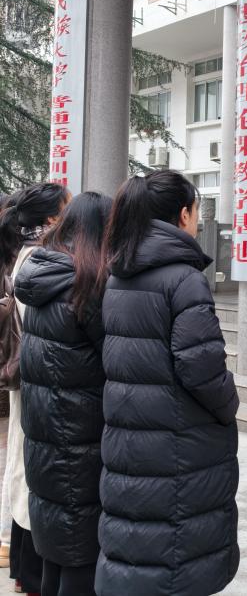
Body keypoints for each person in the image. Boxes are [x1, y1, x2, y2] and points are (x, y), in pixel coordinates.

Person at [98, 170, 238, 596]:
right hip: (178, 439)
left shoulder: (119, 272)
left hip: (128, 433)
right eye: (196, 211)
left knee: (138, 542)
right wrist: (228, 405)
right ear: (183, 215)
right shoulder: (183, 278)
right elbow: (202, 366)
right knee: (175, 552)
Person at [15, 192, 111, 596]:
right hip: (80, 433)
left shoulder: (42, 277)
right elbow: (112, 359)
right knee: (80, 541)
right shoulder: (87, 286)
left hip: (44, 429)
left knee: (58, 535)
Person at [0, 182, 70, 596]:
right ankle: (28, 572)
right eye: (67, 207)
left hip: (28, 378)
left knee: (24, 467)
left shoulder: (27, 257)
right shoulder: (40, 261)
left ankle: (22, 568)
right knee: (28, 471)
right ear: (52, 218)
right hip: (35, 381)